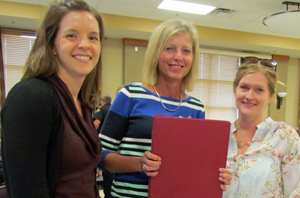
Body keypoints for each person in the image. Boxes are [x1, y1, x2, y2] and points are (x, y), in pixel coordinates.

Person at [99, 19, 232, 198]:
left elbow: (193, 166)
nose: (178, 56)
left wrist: (216, 176)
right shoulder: (130, 95)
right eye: (169, 48)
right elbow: (100, 155)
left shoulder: (195, 107)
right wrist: (139, 163)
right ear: (156, 53)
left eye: (186, 50)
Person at [1, 0, 104, 197]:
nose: (84, 45)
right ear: (52, 44)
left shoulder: (82, 103)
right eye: (71, 35)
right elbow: (27, 191)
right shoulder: (32, 97)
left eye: (93, 37)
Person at [223, 57, 300, 197]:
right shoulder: (219, 136)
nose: (249, 96)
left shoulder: (285, 137)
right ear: (235, 90)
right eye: (244, 87)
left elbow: (296, 192)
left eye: (259, 90)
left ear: (270, 96)